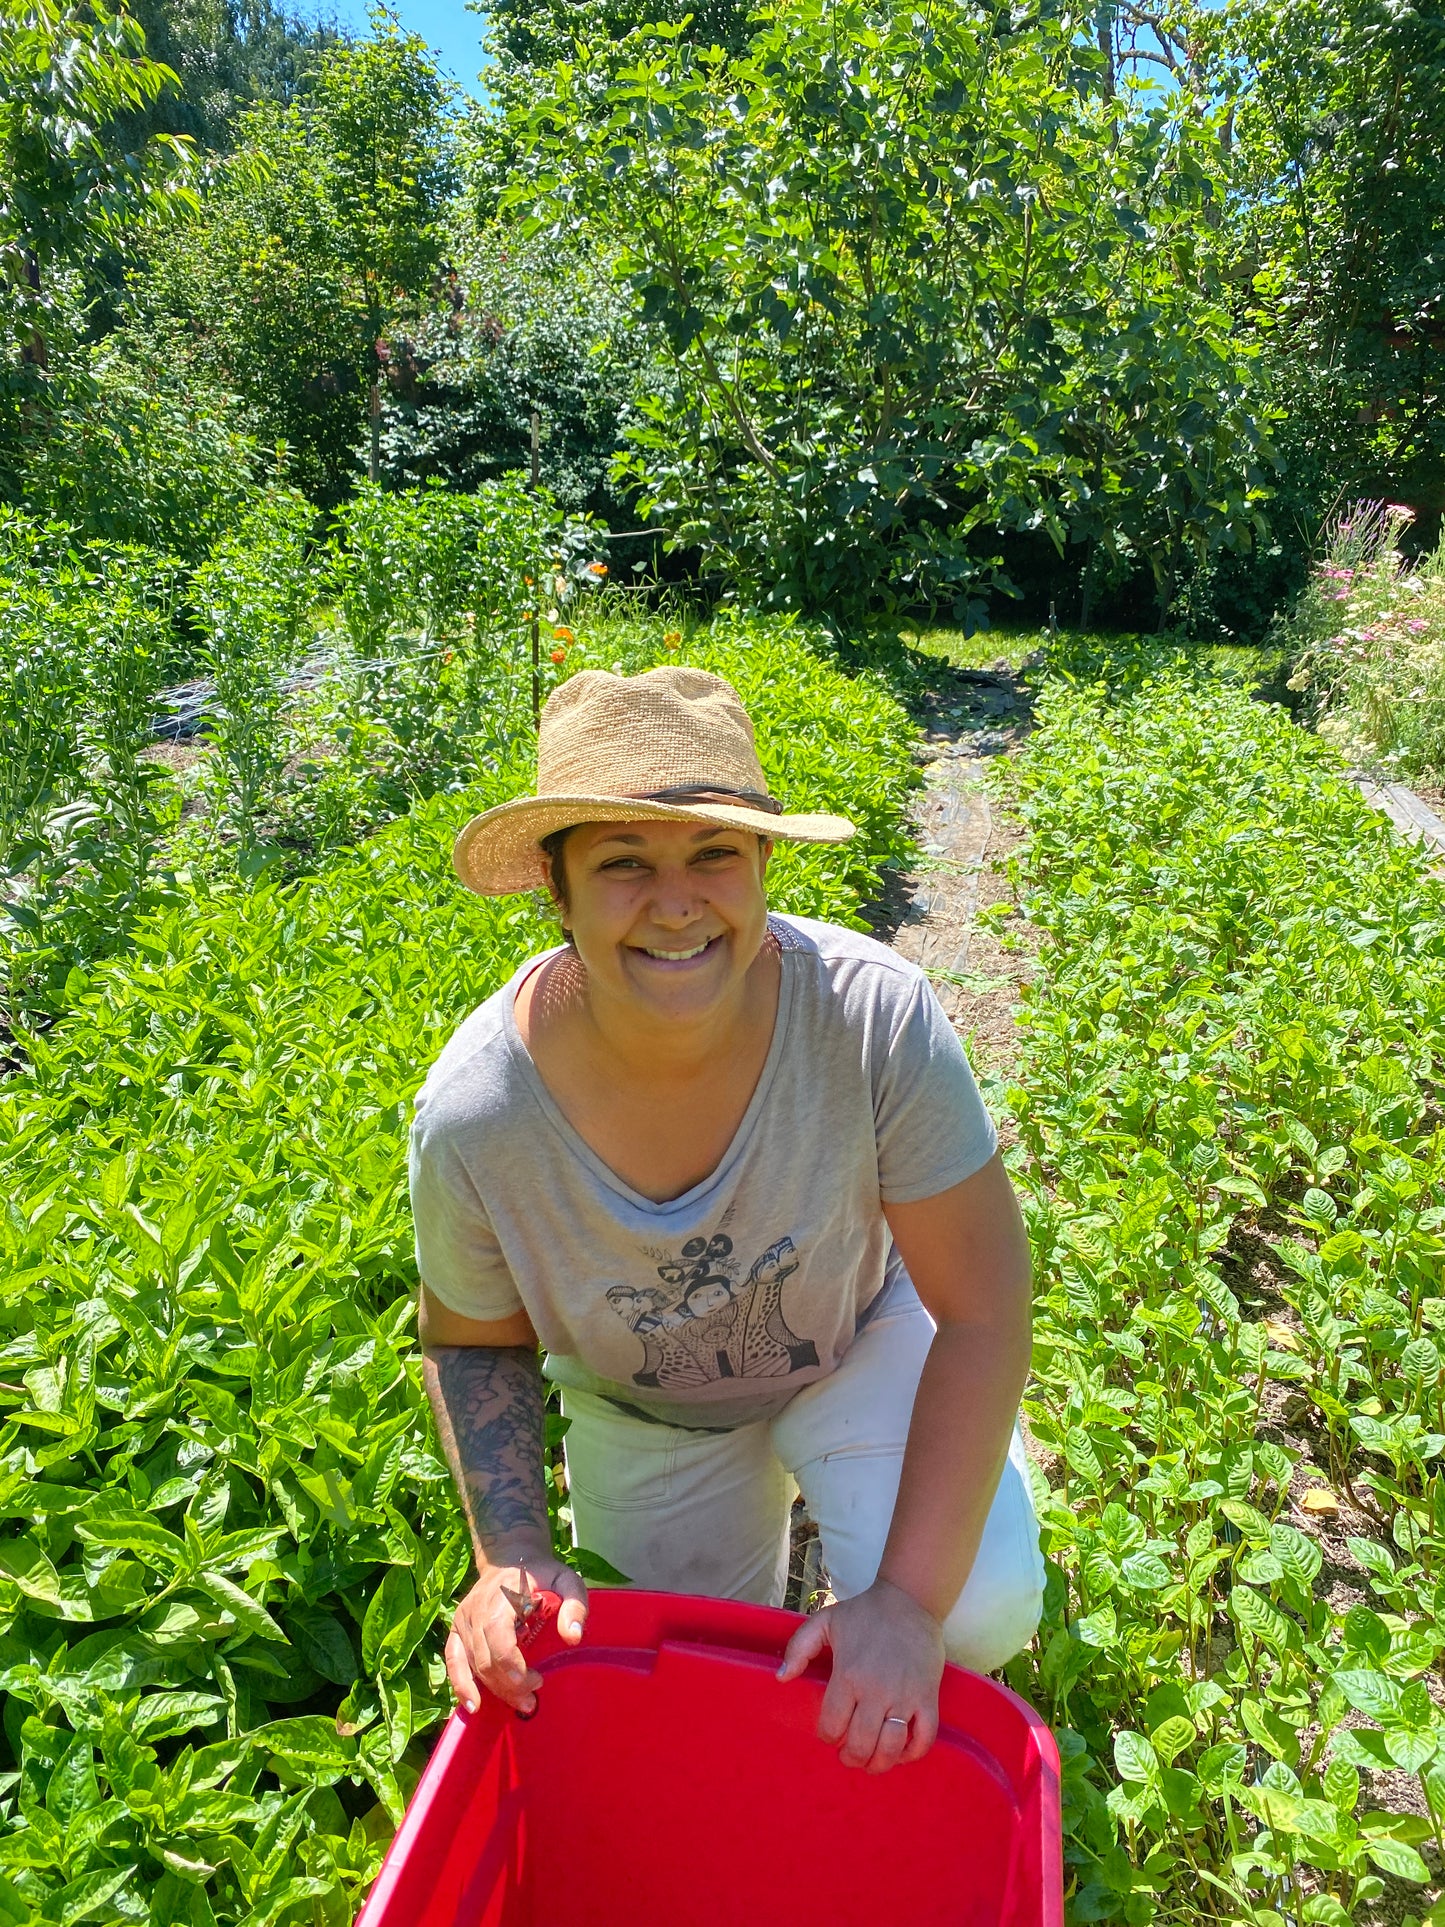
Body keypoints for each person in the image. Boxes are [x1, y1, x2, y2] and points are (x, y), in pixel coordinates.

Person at [409, 664, 1043, 1776]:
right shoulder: (479, 1114)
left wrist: (903, 1600)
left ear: (761, 867)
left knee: (969, 1612)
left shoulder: (870, 1018)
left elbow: (984, 1305)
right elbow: (469, 1341)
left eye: (713, 853)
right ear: (555, 891)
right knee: (689, 1673)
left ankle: (928, 1489)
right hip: (645, 1407)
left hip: (855, 1333)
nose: (676, 902)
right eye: (622, 863)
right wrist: (507, 1550)